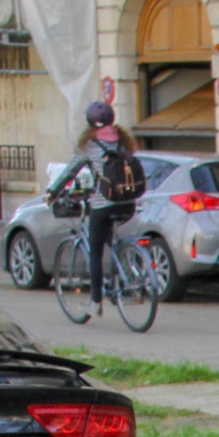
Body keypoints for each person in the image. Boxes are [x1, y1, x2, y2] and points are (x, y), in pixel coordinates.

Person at [72, 102, 147, 318]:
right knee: (111, 241)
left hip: (103, 204)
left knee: (95, 252)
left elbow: (70, 171)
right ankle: (123, 272)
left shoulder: (90, 145)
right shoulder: (124, 141)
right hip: (128, 203)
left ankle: (95, 302)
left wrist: (53, 191)